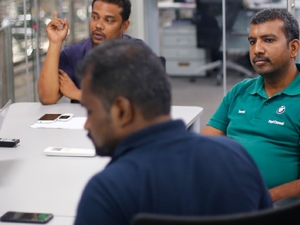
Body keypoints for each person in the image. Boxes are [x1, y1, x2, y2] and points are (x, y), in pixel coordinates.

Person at [74, 39, 272, 225]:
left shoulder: (106, 192)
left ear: (122, 110)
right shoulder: (235, 157)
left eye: (90, 111)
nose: (87, 124)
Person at [201, 9, 300, 202]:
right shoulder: (240, 91)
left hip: (272, 211)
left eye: (268, 40)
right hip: (223, 197)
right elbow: (202, 147)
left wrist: (257, 200)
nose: (257, 49)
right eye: (252, 42)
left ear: (293, 48)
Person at [37, 0, 145, 104]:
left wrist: (78, 94)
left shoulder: (138, 52)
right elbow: (47, 97)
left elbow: (138, 101)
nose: (98, 25)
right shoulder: (74, 54)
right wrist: (55, 42)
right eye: (95, 17)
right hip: (83, 121)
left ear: (124, 25)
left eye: (108, 20)